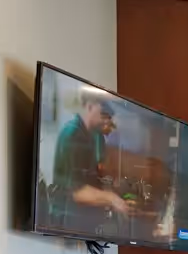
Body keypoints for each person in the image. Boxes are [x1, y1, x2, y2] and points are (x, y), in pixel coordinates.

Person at [49, 92, 129, 234]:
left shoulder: (92, 136)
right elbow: (78, 193)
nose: (106, 119)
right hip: (68, 224)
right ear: (90, 106)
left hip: (84, 222)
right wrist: (112, 199)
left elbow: (92, 177)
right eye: (103, 111)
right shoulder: (72, 135)